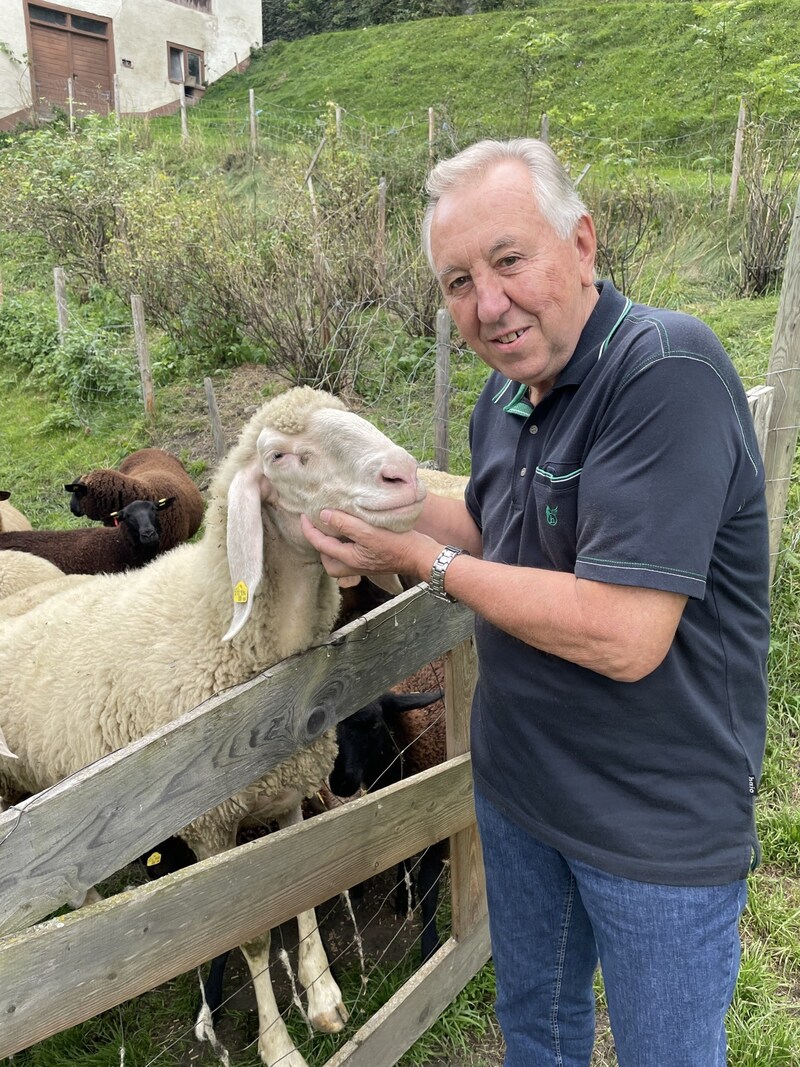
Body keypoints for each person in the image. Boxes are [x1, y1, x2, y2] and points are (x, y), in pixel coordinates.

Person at [301, 138, 770, 1067]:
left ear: (583, 244)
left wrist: (423, 560)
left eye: (509, 260)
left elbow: (627, 633)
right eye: (457, 280)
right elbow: (487, 522)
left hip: (652, 823)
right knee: (537, 1030)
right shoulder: (509, 397)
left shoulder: (665, 374)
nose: (488, 303)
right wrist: (373, 509)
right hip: (522, 792)